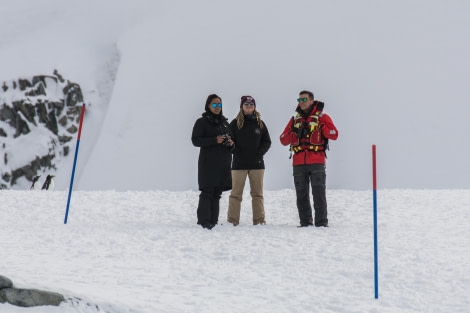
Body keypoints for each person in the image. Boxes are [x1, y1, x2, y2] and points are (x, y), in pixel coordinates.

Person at [280, 90, 338, 227]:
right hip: (298, 162)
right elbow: (283, 140)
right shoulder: (294, 120)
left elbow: (334, 134)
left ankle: (321, 223)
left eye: (304, 100)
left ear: (312, 100)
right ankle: (305, 222)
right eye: (299, 100)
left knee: (319, 194)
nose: (302, 103)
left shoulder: (322, 117)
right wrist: (293, 132)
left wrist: (323, 127)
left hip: (317, 162)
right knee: (301, 195)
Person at [227, 95, 271, 226]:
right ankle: (232, 221)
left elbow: (267, 142)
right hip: (238, 164)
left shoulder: (260, 124)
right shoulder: (235, 124)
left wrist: (259, 154)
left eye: (251, 105)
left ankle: (259, 221)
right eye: (246, 104)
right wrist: (235, 150)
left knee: (257, 194)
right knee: (235, 194)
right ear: (242, 106)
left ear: (254, 107)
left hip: (257, 165)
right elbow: (229, 142)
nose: (249, 106)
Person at [191, 94, 234, 229]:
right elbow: (195, 140)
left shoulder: (225, 123)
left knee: (217, 192)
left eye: (219, 105)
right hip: (208, 163)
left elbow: (233, 145)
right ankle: (204, 222)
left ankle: (213, 221)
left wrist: (231, 143)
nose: (217, 107)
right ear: (208, 106)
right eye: (214, 105)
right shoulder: (201, 122)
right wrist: (214, 140)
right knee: (207, 192)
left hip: (223, 164)